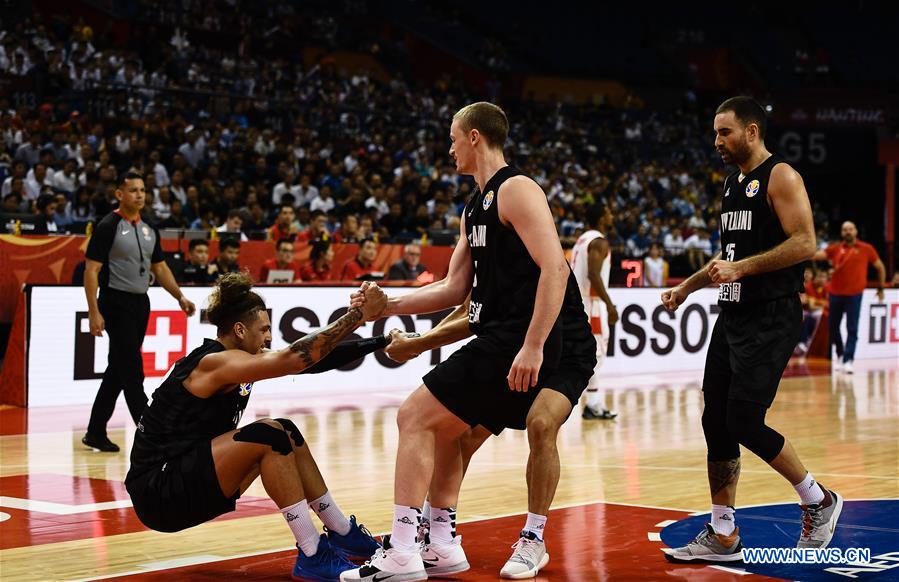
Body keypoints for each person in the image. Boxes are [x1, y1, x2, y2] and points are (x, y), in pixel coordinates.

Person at [341, 102, 595, 582]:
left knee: (416, 415)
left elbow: (555, 270)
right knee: (450, 431)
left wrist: (534, 345)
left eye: (453, 137)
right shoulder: (473, 206)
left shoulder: (516, 190)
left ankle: (405, 551)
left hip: (533, 338)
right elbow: (454, 290)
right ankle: (439, 542)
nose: (449, 147)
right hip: (508, 334)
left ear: (474, 137)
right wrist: (388, 306)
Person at [660, 96, 842, 563]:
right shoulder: (731, 184)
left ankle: (818, 500)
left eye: (725, 132)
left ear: (752, 131)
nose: (717, 141)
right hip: (733, 314)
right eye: (715, 133)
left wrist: (743, 270)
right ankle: (723, 535)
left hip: (772, 314)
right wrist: (687, 288)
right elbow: (729, 259)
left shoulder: (780, 176)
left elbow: (806, 242)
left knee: (742, 420)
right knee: (714, 421)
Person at [125, 273, 387, 580]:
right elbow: (295, 358)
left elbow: (311, 361)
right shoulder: (213, 363)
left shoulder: (237, 360)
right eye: (263, 330)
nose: (268, 338)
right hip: (159, 490)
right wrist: (357, 315)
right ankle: (313, 553)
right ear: (239, 330)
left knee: (285, 430)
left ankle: (342, 531)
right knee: (269, 435)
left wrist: (381, 341)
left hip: (186, 476)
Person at [83, 171, 197, 452]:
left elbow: (160, 268)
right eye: (133, 189)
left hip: (140, 303)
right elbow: (91, 270)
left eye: (143, 190)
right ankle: (152, 433)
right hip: (115, 301)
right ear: (119, 194)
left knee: (117, 370)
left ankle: (95, 431)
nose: (140, 194)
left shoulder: (149, 230)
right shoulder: (107, 226)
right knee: (133, 370)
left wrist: (179, 296)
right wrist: (93, 310)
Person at [813, 221, 886, 374]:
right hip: (835, 294)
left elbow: (880, 267)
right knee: (833, 328)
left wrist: (880, 287)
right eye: (845, 229)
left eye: (850, 229)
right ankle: (840, 354)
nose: (848, 232)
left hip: (854, 295)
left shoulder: (866, 249)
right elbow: (816, 255)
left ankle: (848, 360)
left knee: (852, 328)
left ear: (856, 231)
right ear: (841, 233)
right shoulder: (835, 249)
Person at [571, 204, 619, 420]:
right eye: (608, 213)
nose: (612, 216)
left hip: (578, 302)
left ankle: (594, 402)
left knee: (590, 354)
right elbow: (593, 274)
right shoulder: (599, 241)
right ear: (601, 218)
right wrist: (609, 305)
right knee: (595, 353)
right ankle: (591, 403)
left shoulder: (581, 240)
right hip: (591, 305)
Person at [796, 268, 829, 356]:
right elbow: (811, 306)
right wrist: (822, 304)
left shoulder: (827, 288)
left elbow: (828, 305)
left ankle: (812, 342)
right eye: (820, 276)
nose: (821, 279)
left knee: (823, 315)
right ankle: (804, 342)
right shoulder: (808, 287)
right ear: (815, 277)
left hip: (816, 313)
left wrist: (817, 303)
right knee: (814, 314)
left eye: (824, 277)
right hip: (807, 312)